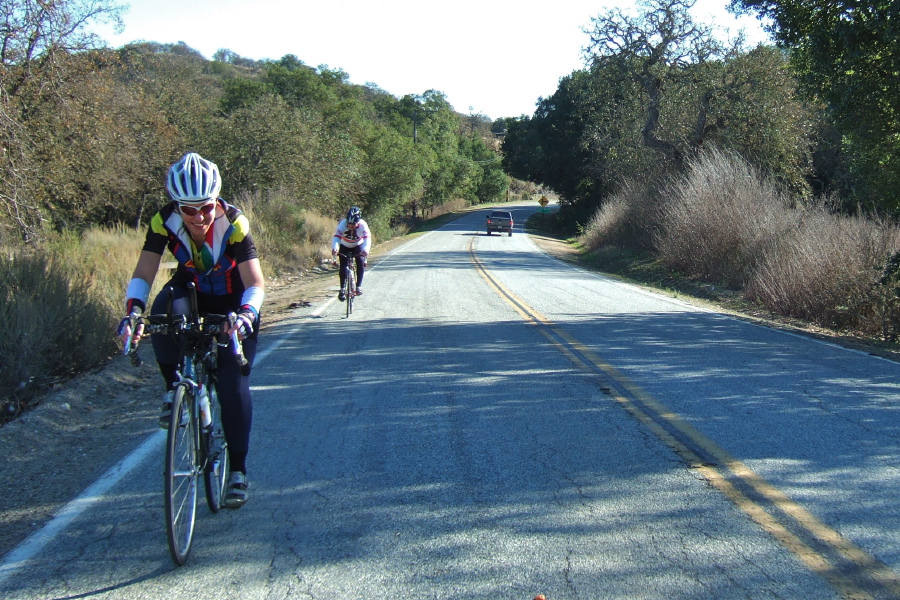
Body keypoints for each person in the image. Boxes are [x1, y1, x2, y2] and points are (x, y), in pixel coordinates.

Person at [117, 152, 264, 509]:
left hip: (234, 299)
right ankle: (174, 390)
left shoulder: (234, 224)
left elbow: (255, 282)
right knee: (162, 310)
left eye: (206, 207)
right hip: (192, 292)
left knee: (232, 382)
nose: (199, 217)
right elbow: (143, 273)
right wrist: (132, 312)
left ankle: (239, 472)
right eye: (189, 209)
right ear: (176, 206)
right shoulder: (162, 221)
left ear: (217, 201)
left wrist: (245, 315)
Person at [331, 206, 371, 301]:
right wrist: (335, 248)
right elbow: (336, 237)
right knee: (343, 266)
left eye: (353, 224)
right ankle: (342, 289)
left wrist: (366, 250)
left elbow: (367, 239)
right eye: (349, 224)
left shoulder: (363, 225)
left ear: (358, 222)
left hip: (358, 245)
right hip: (344, 246)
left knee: (360, 261)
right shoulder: (342, 224)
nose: (351, 226)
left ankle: (358, 286)